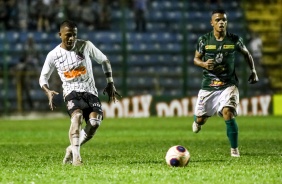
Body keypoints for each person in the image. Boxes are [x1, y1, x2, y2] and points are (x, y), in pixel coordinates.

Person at [39, 20, 121, 166]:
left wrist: (110, 82)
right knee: (76, 117)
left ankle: (71, 149)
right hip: (71, 92)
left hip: (90, 91)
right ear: (60, 35)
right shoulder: (53, 55)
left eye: (74, 35)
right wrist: (47, 91)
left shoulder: (86, 45)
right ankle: (77, 158)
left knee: (94, 123)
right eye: (68, 35)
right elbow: (43, 77)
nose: (71, 38)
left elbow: (104, 60)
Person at [191, 9, 259, 157]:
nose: (221, 22)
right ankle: (198, 121)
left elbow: (247, 54)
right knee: (201, 119)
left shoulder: (234, 40)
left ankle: (234, 149)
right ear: (212, 23)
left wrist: (253, 70)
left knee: (228, 112)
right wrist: (203, 64)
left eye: (224, 20)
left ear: (226, 22)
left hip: (228, 84)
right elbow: (195, 59)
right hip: (209, 85)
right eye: (218, 20)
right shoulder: (204, 40)